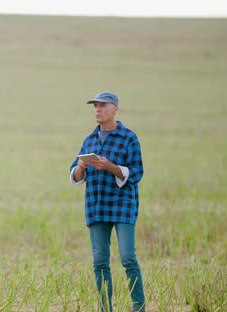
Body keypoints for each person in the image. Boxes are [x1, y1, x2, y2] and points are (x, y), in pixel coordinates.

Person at [69, 91, 146, 312]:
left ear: (115, 109)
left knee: (128, 258)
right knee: (100, 262)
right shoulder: (89, 140)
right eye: (95, 106)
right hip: (97, 205)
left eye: (102, 106)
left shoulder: (129, 138)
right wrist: (81, 167)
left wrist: (111, 167)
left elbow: (137, 173)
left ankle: (139, 308)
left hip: (123, 205)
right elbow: (74, 175)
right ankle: (105, 309)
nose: (97, 110)